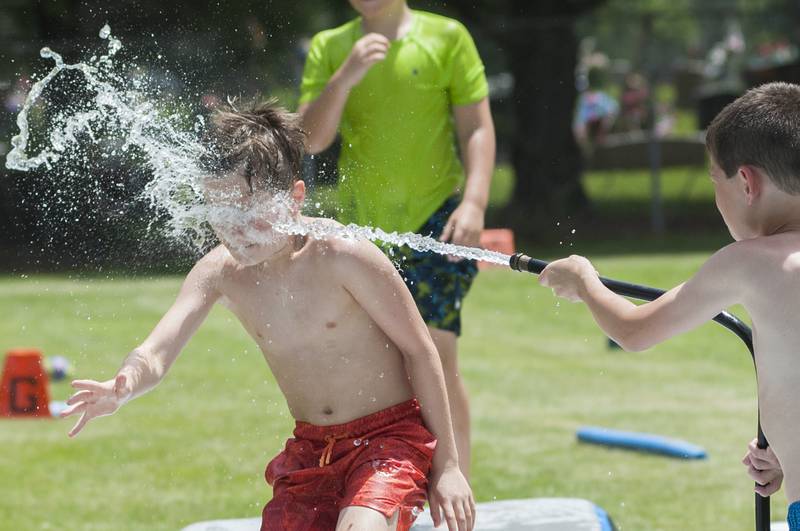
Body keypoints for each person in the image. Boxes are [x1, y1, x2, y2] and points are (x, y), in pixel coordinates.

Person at [60, 101, 474, 531]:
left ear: (294, 198)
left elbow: (420, 350)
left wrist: (447, 467)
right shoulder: (220, 273)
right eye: (221, 214)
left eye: (249, 210)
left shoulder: (342, 256)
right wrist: (123, 384)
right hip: (311, 448)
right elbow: (156, 353)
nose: (236, 229)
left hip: (390, 439)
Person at [538, 82, 800, 530]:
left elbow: (634, 331)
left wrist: (584, 280)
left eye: (715, 181)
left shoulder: (750, 263)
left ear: (745, 182)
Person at [297, 0, 496, 479]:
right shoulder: (331, 46)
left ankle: (454, 481)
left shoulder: (447, 36)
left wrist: (474, 202)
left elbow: (477, 128)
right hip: (365, 232)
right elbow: (309, 138)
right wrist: (343, 78)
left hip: (439, 221)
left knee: (436, 352)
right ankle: (389, 478)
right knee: (384, 368)